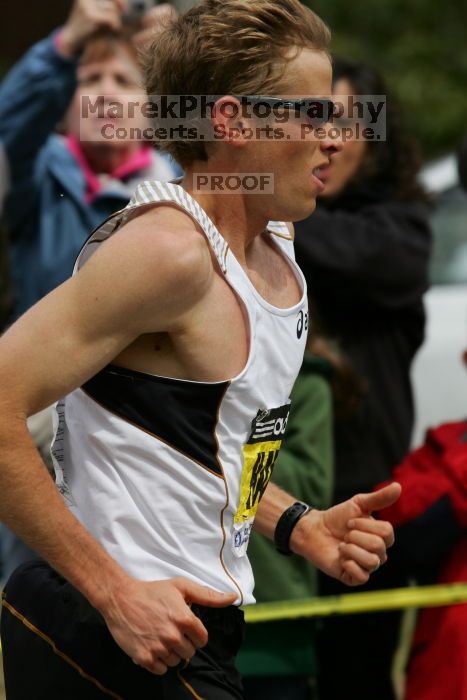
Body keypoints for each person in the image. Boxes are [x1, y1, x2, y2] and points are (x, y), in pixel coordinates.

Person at [0, 3, 400, 698]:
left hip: (193, 629)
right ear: (231, 122)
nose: (335, 137)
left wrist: (295, 525)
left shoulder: (279, 244)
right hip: (108, 628)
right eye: (310, 113)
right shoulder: (168, 253)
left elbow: (191, 451)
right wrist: (114, 593)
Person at [0, 0, 178, 585]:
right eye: (89, 79)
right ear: (63, 107)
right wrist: (64, 43)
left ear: (153, 111)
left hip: (147, 426)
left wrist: (182, 48)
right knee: (34, 592)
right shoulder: (35, 176)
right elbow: (9, 129)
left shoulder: (179, 189)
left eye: (123, 80)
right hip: (37, 429)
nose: (105, 92)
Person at [293, 58, 431, 700]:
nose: (329, 137)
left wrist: (267, 200)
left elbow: (355, 254)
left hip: (363, 514)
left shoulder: (399, 228)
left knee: (357, 681)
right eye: (311, 115)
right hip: (272, 507)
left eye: (344, 120)